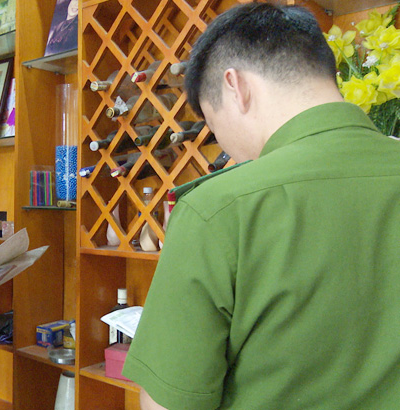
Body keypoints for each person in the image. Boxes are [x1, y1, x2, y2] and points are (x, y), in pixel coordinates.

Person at [122, 3, 400, 410]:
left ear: (235, 86)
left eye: (213, 124)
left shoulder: (218, 209)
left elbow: (167, 404)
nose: (224, 144)